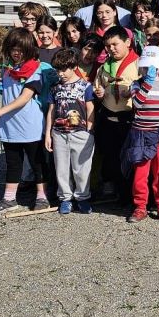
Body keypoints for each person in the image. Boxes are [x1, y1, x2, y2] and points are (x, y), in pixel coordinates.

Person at [0, 28, 52, 213]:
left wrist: (0, 111)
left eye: (21, 49)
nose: (17, 53)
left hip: (30, 124)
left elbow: (25, 97)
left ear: (30, 49)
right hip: (9, 125)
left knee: (37, 161)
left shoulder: (36, 69)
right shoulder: (8, 71)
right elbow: (2, 92)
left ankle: (42, 196)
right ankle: (9, 198)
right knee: (13, 162)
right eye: (13, 48)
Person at [123, 47, 159, 223]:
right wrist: (147, 82)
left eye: (153, 68)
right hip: (140, 135)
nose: (149, 70)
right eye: (145, 67)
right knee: (140, 173)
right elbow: (138, 103)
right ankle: (140, 207)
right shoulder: (136, 84)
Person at [44, 48, 95, 214]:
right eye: (58, 70)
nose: (61, 74)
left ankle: (83, 197)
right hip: (59, 133)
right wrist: (48, 133)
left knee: (82, 168)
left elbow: (90, 108)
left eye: (64, 69)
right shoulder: (55, 88)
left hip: (80, 133)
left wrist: (89, 129)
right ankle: (65, 198)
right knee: (61, 168)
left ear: (74, 67)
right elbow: (51, 110)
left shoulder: (86, 86)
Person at [93, 26, 140, 201]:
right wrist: (98, 92)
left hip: (128, 116)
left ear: (127, 42)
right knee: (109, 153)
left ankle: (127, 192)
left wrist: (133, 91)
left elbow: (145, 85)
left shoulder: (138, 63)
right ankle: (112, 189)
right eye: (108, 46)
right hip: (108, 114)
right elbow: (98, 84)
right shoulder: (105, 65)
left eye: (115, 44)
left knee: (127, 155)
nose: (111, 49)